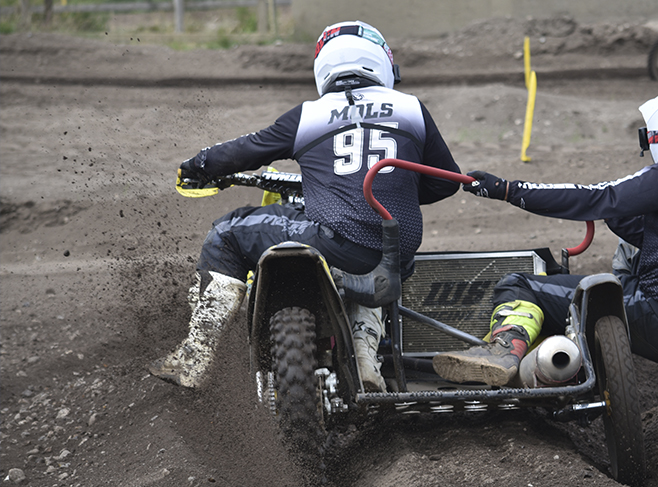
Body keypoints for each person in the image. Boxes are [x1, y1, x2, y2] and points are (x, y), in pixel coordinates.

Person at [150, 21, 461, 391]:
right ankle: (366, 356)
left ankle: (194, 356)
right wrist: (396, 192)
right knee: (367, 253)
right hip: (397, 249)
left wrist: (198, 165)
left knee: (227, 233)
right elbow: (446, 181)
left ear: (323, 66)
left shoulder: (311, 115)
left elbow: (247, 149)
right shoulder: (412, 108)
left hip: (335, 240)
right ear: (383, 63)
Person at [432, 87, 658, 387]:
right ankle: (559, 369)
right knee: (622, 258)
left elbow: (596, 196)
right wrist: (616, 211)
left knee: (519, 286)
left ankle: (502, 354)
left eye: (648, 137)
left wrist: (508, 190)